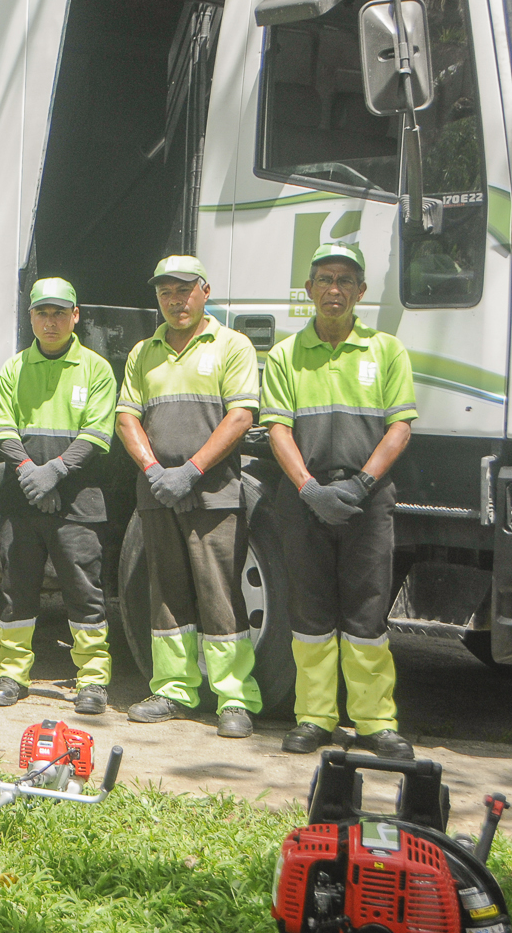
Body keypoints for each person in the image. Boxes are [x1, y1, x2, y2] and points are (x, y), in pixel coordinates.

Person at [262, 242, 416, 759]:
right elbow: (278, 429)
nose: (335, 290)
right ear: (308, 289)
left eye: (346, 281)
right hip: (303, 499)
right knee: (309, 611)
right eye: (325, 279)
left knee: (367, 615)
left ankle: (375, 722)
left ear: (361, 292)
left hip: (366, 501)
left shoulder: (386, 350)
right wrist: (308, 488)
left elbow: (400, 428)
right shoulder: (285, 354)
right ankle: (314, 718)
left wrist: (360, 486)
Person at [116, 255, 261, 738]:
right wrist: (156, 471)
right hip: (158, 492)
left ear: (205, 290)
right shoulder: (143, 351)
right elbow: (126, 417)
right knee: (166, 596)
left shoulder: (232, 346)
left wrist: (192, 471)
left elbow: (241, 416)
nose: (175, 300)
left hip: (213, 494)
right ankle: (174, 690)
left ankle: (235, 698)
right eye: (165, 292)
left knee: (219, 594)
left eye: (184, 290)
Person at [0, 278, 117, 714]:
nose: (51, 321)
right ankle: (11, 674)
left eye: (60, 312)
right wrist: (30, 474)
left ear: (76, 316)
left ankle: (93, 681)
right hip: (23, 500)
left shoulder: (96, 368)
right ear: (30, 318)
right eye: (42, 313)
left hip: (78, 501)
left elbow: (97, 434)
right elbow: (2, 430)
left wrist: (55, 473)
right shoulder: (13, 368)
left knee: (84, 591)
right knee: (15, 589)